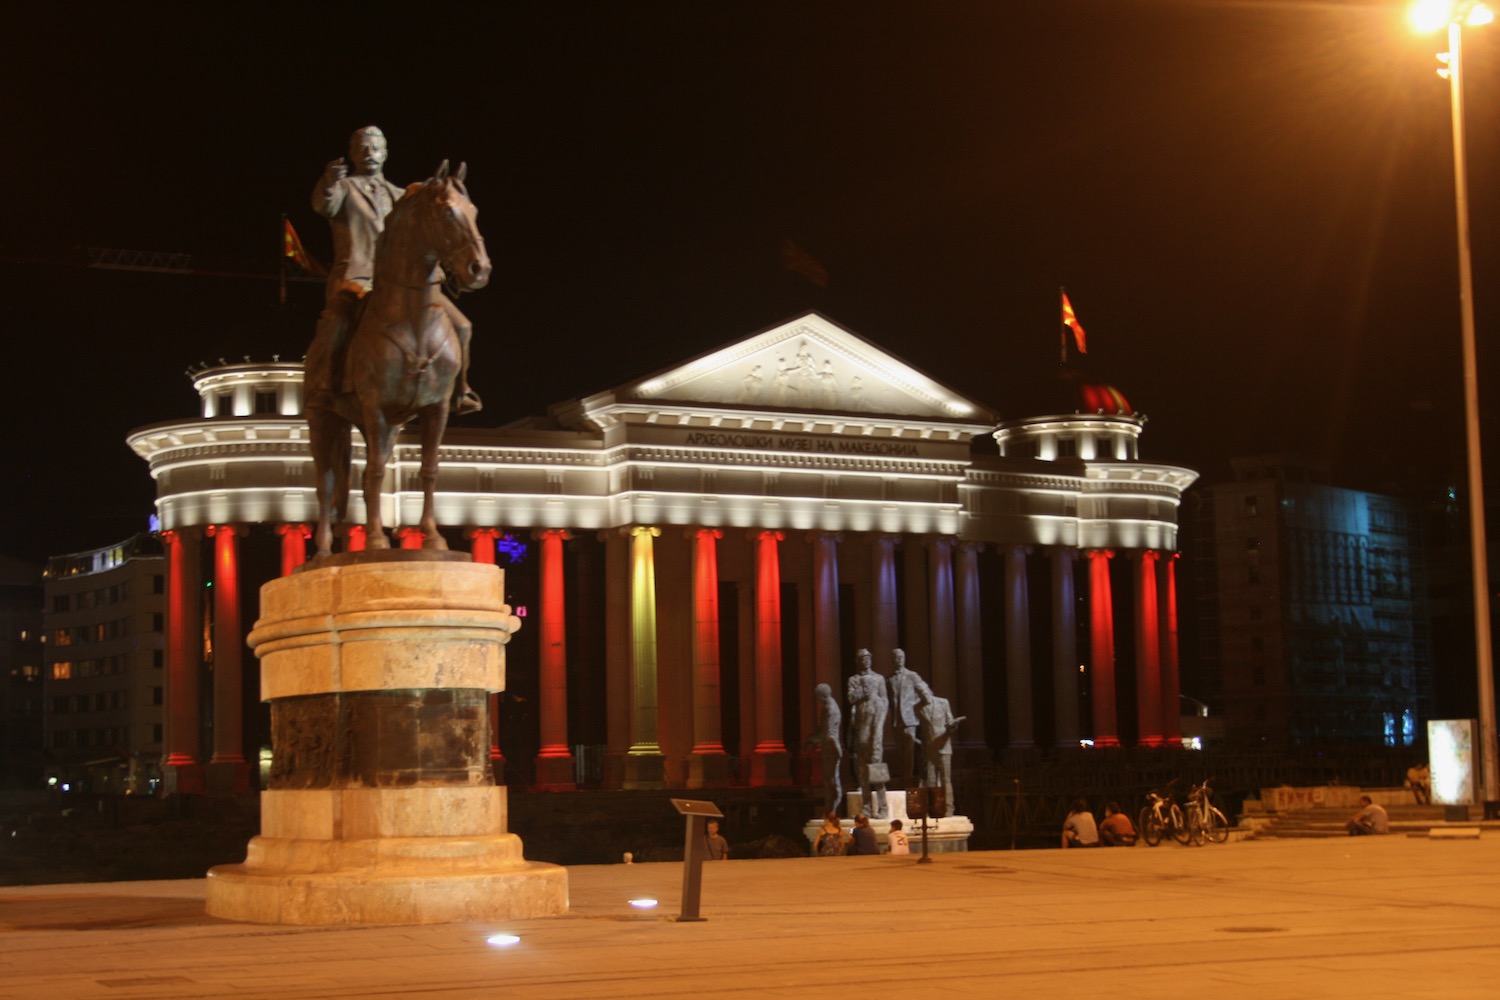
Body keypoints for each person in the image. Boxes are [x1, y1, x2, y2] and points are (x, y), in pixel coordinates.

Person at [306, 125, 481, 416]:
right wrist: (327, 182)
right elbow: (325, 204)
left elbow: (424, 227)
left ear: (385, 153)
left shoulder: (401, 195)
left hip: (402, 281)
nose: (369, 153)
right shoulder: (345, 188)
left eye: (375, 148)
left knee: (463, 326)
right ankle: (325, 384)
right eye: (362, 148)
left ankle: (460, 390)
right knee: (337, 319)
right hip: (357, 278)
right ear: (353, 154)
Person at [845, 648, 889, 818]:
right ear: (858, 662)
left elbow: (884, 702)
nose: (866, 661)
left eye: (868, 658)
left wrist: (877, 740)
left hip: (874, 736)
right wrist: (862, 691)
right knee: (862, 773)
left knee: (876, 771)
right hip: (860, 734)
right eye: (862, 659)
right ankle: (866, 806)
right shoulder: (854, 680)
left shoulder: (879, 680)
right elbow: (851, 698)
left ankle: (883, 807)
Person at [916, 684, 965, 817]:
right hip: (929, 750)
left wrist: (951, 727)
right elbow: (922, 730)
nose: (923, 695)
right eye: (919, 693)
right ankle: (933, 808)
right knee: (931, 780)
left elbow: (950, 722)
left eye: (924, 691)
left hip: (944, 746)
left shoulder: (943, 702)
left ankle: (949, 809)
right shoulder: (918, 708)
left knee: (945, 779)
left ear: (929, 690)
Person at [803, 683, 843, 817]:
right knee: (830, 781)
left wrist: (810, 740)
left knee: (831, 782)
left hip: (831, 748)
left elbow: (827, 734)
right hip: (829, 747)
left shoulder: (830, 709)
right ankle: (830, 811)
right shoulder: (828, 707)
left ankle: (832, 812)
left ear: (821, 695)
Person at [887, 648, 924, 785]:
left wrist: (916, 707)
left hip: (910, 719)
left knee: (909, 753)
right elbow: (890, 700)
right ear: (893, 660)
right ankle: (904, 780)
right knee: (900, 753)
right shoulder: (889, 679)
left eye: (901, 657)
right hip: (897, 720)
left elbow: (925, 692)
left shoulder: (912, 676)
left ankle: (909, 780)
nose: (899, 659)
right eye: (896, 657)